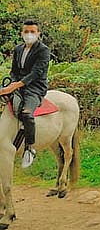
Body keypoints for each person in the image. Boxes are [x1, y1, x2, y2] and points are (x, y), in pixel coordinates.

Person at [0, 19, 50, 168]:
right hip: (18, 85)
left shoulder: (43, 50)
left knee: (27, 113)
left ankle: (29, 148)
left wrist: (16, 85)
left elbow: (36, 73)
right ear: (22, 33)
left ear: (38, 33)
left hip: (35, 87)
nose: (29, 34)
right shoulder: (18, 49)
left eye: (32, 32)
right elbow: (14, 71)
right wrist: (12, 84)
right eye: (26, 32)